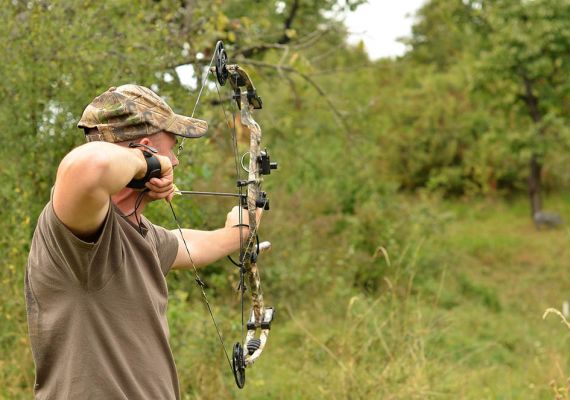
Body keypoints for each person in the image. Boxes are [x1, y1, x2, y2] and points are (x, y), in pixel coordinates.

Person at [25, 84, 256, 399]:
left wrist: (239, 230)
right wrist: (146, 162)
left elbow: (187, 245)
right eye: (171, 148)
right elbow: (88, 167)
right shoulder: (79, 236)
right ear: (146, 149)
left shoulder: (140, 234)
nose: (174, 161)